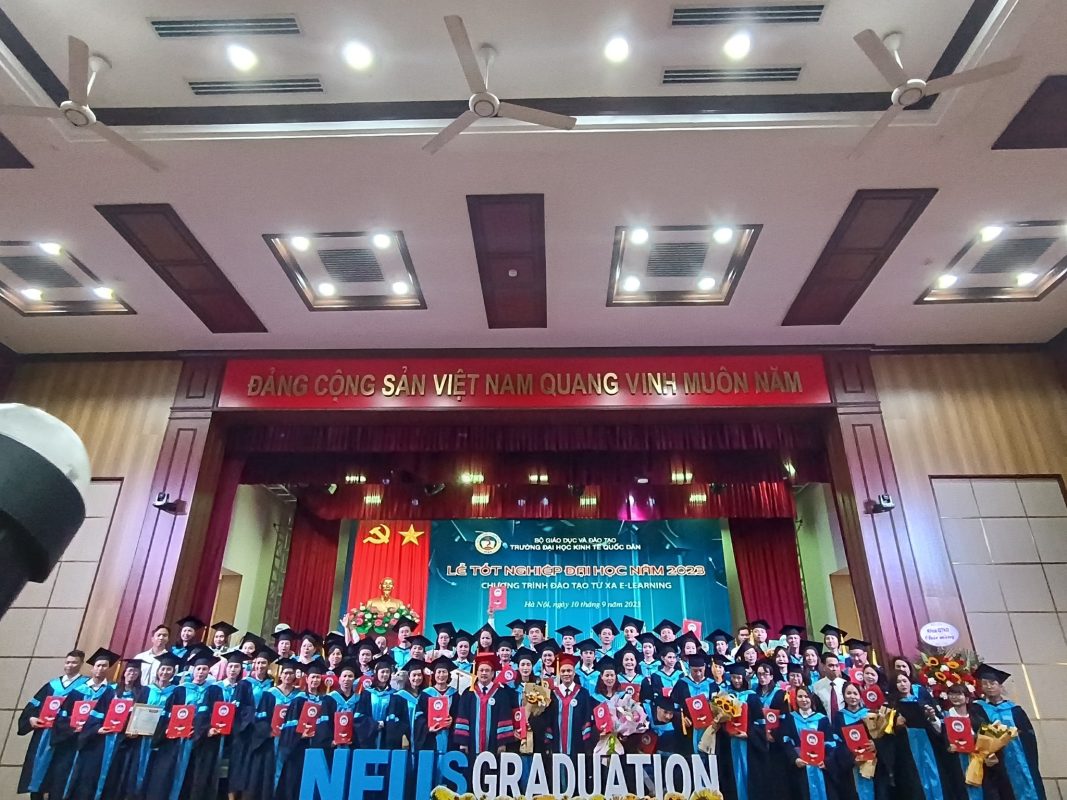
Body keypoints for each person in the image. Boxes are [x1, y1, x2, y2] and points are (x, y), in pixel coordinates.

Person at [143, 647, 218, 800]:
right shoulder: (180, 690)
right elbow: (167, 714)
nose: (201, 672)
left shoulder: (213, 691)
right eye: (198, 669)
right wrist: (167, 730)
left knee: (193, 778)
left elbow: (213, 716)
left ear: (208, 671)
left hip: (199, 741)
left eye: (204, 669)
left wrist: (203, 730)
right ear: (193, 670)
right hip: (176, 740)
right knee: (169, 775)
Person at [16, 648, 88, 798]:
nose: (70, 665)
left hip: (68, 737)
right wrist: (31, 718)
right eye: (67, 662)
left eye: (74, 662)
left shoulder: (86, 686)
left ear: (81, 664)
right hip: (44, 734)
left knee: (59, 776)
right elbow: (33, 706)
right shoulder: (52, 685)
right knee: (38, 772)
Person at [973, 663, 1046, 800]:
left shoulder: (1015, 709)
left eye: (992, 683)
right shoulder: (978, 709)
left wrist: (1018, 734)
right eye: (985, 684)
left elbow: (1029, 736)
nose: (989, 686)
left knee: (1028, 782)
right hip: (998, 758)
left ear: (1000, 686)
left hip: (1020, 755)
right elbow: (978, 732)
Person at [65, 648, 124, 800]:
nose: (101, 669)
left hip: (96, 741)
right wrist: (72, 728)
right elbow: (64, 716)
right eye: (98, 665)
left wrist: (94, 729)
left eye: (105, 666)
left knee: (89, 778)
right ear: (92, 668)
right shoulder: (78, 691)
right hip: (73, 739)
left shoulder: (113, 691)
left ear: (109, 669)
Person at [123, 652, 180, 799]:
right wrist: (131, 728)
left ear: (173, 673)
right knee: (137, 769)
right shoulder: (147, 689)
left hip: (162, 738)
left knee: (156, 773)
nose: (165, 672)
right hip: (142, 737)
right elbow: (136, 711)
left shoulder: (176, 691)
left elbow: (174, 715)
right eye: (163, 669)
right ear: (158, 670)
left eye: (169, 669)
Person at [228, 645, 277, 800]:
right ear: (254, 663)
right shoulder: (244, 683)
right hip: (245, 732)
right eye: (258, 662)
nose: (260, 666)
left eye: (264, 663)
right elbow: (236, 707)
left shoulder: (271, 685)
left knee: (253, 772)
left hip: (262, 734)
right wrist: (247, 721)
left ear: (268, 665)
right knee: (238, 769)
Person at [888, 671, 947, 800]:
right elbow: (888, 732)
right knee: (914, 780)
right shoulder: (892, 706)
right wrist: (896, 725)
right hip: (906, 746)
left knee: (933, 773)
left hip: (927, 742)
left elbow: (938, 727)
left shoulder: (922, 702)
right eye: (898, 682)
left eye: (905, 681)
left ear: (910, 682)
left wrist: (932, 717)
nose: (902, 684)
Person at [277, 662, 330, 799]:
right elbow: (289, 726)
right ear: (307, 679)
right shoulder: (298, 700)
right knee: (297, 781)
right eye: (313, 677)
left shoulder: (326, 700)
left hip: (319, 747)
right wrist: (300, 736)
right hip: (299, 748)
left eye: (318, 677)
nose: (315, 680)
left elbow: (328, 726)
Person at [452, 652, 517, 756]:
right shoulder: (468, 693)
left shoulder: (501, 693)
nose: (484, 673)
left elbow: (504, 717)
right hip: (471, 744)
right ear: (477, 673)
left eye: (487, 670)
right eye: (481, 670)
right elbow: (462, 716)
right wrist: (463, 742)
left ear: (492, 674)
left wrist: (502, 743)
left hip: (494, 744)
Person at [780, 685, 838, 800]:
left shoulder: (822, 719)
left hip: (819, 765)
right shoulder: (790, 718)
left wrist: (826, 761)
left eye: (806, 696)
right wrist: (795, 759)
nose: (804, 699)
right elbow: (786, 741)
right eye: (800, 696)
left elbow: (830, 743)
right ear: (795, 699)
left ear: (811, 698)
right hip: (800, 765)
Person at [833, 681, 887, 800]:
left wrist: (875, 744)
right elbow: (838, 742)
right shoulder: (839, 716)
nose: (852, 696)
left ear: (860, 696)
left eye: (855, 693)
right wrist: (851, 758)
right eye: (848, 693)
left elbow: (880, 736)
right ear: (843, 696)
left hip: (873, 761)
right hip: (852, 764)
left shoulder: (869, 713)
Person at [541, 652, 594, 757]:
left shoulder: (583, 693)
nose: (566, 674)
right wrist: (548, 740)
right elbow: (549, 719)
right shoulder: (552, 694)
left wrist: (586, 740)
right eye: (563, 671)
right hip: (556, 742)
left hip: (578, 743)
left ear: (574, 673)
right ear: (559, 673)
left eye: (569, 671)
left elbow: (587, 717)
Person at [938, 683, 984, 800]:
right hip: (957, 763)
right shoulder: (946, 718)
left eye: (958, 694)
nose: (954, 697)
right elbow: (942, 742)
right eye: (951, 694)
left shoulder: (976, 718)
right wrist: (948, 748)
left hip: (977, 761)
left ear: (967, 698)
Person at [671, 652, 716, 754]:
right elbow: (674, 707)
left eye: (701, 670)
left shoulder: (711, 684)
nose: (698, 674)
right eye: (695, 671)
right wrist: (681, 718)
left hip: (708, 728)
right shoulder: (681, 684)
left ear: (705, 667)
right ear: (689, 668)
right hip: (689, 728)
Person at [354, 655, 403, 749]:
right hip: (369, 736)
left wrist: (386, 724)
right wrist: (375, 725)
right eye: (382, 672)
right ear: (376, 673)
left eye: (387, 672)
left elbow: (399, 718)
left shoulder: (394, 695)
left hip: (387, 736)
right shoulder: (367, 694)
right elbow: (359, 717)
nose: (385, 674)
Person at [415, 657, 456, 754]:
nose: (441, 675)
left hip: (450, 737)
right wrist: (428, 728)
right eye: (439, 672)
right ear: (434, 674)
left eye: (444, 672)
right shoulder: (426, 694)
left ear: (448, 674)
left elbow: (459, 714)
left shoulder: (455, 694)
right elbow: (419, 717)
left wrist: (452, 721)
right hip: (430, 738)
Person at [394, 658, 426, 748]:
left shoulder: (425, 695)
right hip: (405, 736)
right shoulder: (400, 696)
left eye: (419, 675)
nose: (417, 678)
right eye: (414, 675)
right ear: (409, 677)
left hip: (423, 736)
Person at [813, 653, 849, 719]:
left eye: (837, 665)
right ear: (823, 667)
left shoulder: (845, 684)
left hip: (845, 721)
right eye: (831, 666)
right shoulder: (816, 686)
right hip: (825, 722)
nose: (834, 668)